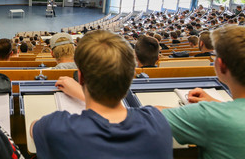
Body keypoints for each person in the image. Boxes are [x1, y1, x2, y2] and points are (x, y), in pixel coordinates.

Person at [159, 25, 245, 158]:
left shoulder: (207, 116)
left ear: (222, 66)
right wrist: (217, 103)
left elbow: (146, 116)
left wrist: (213, 107)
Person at [31, 30, 172, 159]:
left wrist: (82, 94)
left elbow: (33, 127)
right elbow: (165, 111)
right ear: (130, 77)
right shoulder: (158, 122)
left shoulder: (56, 127)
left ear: (80, 77)